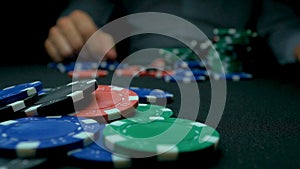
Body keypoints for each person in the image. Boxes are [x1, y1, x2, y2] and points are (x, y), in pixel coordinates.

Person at [44, 0, 300, 69]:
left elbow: (283, 28)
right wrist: (74, 29)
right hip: (139, 74)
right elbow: (86, 12)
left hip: (236, 84)